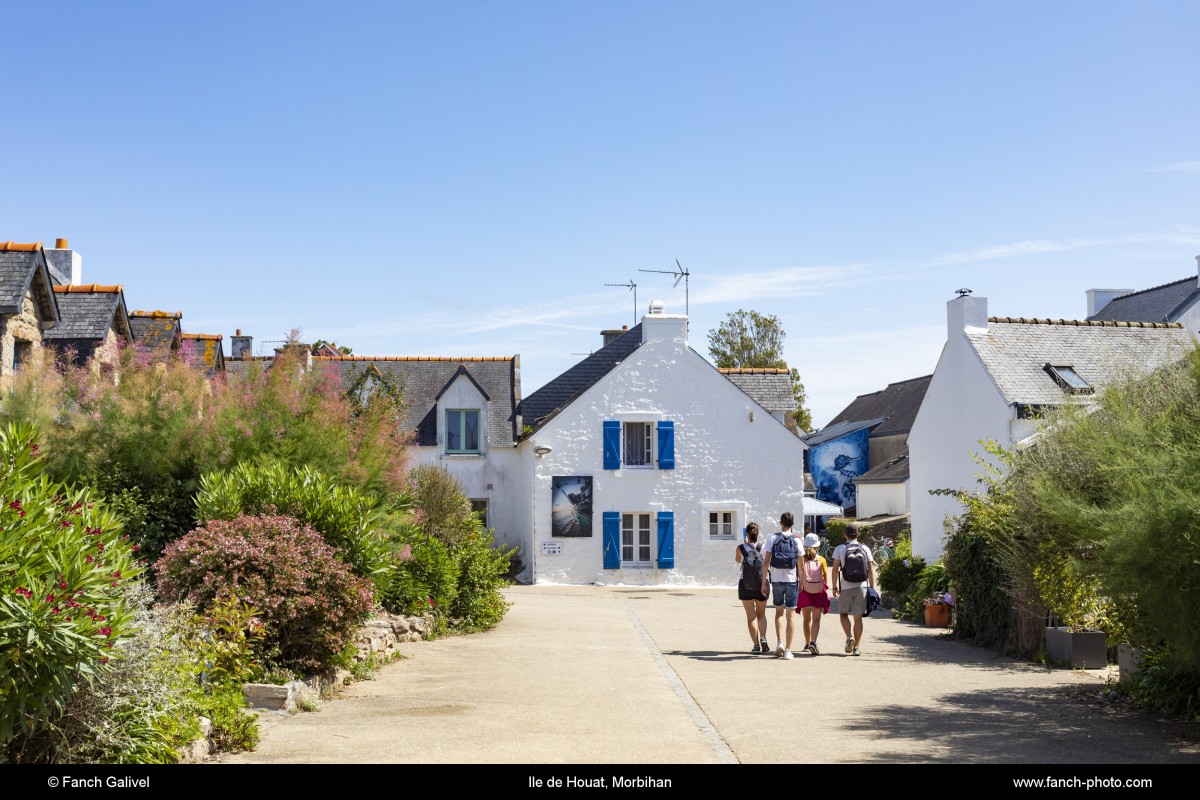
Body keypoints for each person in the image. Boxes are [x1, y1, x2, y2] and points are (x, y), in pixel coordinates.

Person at [830, 522, 878, 656]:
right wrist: (871, 588)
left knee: (843, 614)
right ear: (858, 534)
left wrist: (834, 587)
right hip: (861, 586)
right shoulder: (865, 548)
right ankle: (857, 647)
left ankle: (849, 636)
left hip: (845, 586)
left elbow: (834, 570)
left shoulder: (840, 549)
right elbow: (870, 571)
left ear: (845, 534)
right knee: (858, 618)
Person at [759, 512, 801, 660]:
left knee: (779, 613)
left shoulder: (772, 538)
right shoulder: (797, 540)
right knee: (791, 615)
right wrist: (801, 582)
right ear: (792, 523)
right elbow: (800, 564)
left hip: (776, 579)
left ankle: (779, 643)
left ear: (780, 523)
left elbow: (766, 562)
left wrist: (763, 581)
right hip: (791, 580)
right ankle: (788, 650)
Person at [735, 522, 770, 654]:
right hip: (762, 583)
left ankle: (756, 645)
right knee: (761, 614)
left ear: (747, 534)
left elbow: (738, 560)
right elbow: (767, 562)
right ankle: (763, 637)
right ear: (758, 533)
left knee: (751, 616)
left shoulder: (741, 547)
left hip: (745, 584)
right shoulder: (764, 547)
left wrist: (745, 545)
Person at [795, 531, 829, 654]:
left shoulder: (801, 559)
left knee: (806, 619)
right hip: (818, 592)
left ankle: (807, 643)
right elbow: (825, 577)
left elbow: (798, 574)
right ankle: (814, 642)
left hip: (804, 591)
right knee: (816, 619)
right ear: (817, 546)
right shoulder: (822, 560)